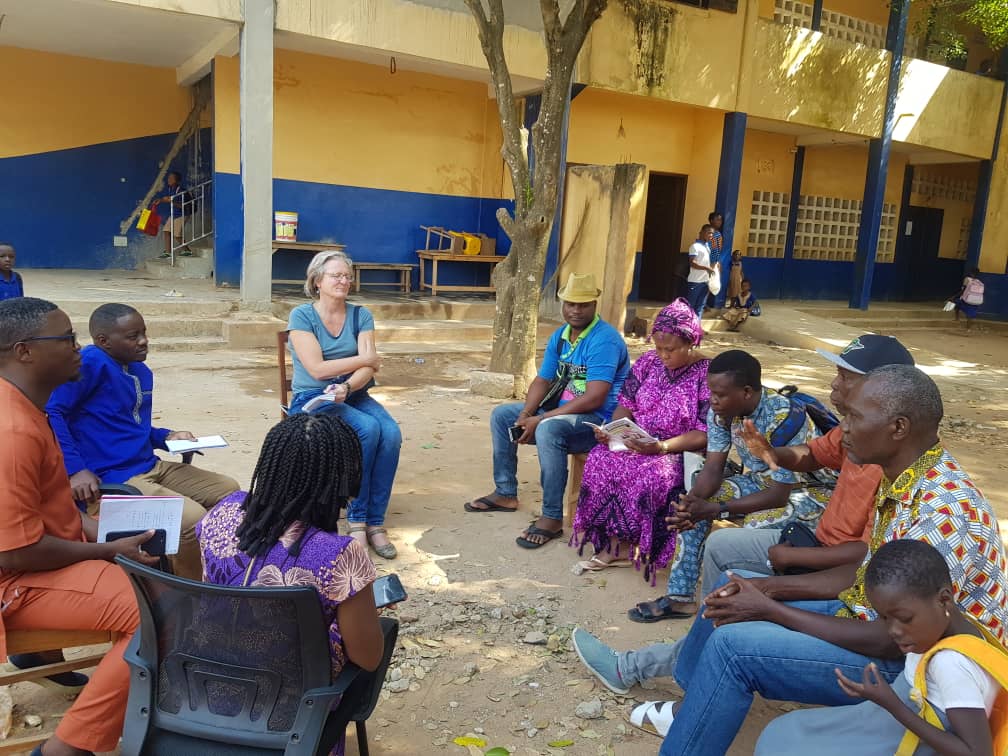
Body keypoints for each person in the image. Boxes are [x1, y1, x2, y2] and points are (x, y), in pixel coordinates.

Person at [572, 365, 1008, 755]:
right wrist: (765, 588)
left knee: (732, 648)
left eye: (855, 418)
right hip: (878, 622)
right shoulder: (909, 477)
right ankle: (693, 703)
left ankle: (691, 714)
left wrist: (771, 606)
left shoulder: (939, 512)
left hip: (917, 667)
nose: (844, 428)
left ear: (898, 428)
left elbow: (891, 639)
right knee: (735, 584)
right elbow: (865, 575)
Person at [0, 296, 161, 756]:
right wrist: (108, 550)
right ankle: (66, 748)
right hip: (15, 580)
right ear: (25, 351)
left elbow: (55, 513)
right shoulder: (12, 432)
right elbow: (16, 552)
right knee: (158, 613)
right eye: (67, 339)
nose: (79, 348)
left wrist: (109, 533)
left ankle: (119, 689)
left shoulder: (26, 407)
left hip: (36, 560)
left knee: (157, 578)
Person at [197, 412, 383, 755]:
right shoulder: (341, 555)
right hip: (292, 715)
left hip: (202, 687)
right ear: (342, 481)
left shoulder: (222, 511)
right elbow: (368, 658)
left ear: (271, 464)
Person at [625, 349, 836, 623]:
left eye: (720, 394)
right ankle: (680, 598)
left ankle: (743, 605)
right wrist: (692, 503)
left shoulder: (783, 418)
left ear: (746, 392)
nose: (712, 400)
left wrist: (717, 509)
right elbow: (713, 468)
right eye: (711, 392)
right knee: (692, 508)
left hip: (812, 492)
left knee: (755, 526)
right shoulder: (722, 412)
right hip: (761, 482)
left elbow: (779, 495)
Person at [704, 335, 914, 594]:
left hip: (840, 569)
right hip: (818, 542)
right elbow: (814, 454)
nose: (834, 383)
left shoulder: (900, 468)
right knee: (719, 545)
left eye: (845, 377)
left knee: (736, 588)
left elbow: (867, 553)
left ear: (884, 391)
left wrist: (795, 558)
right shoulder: (853, 429)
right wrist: (772, 453)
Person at [47, 303, 241, 580]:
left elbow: (128, 423)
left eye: (144, 333)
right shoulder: (91, 363)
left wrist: (166, 436)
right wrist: (75, 469)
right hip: (114, 475)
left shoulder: (138, 370)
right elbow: (53, 412)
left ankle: (198, 561)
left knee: (229, 491)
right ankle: (189, 589)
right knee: (191, 519)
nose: (143, 341)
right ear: (103, 341)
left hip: (150, 465)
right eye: (132, 336)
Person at [757, 539, 1002, 756]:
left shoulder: (950, 664)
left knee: (784, 746)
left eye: (904, 618)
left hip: (897, 737)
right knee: (785, 733)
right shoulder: (961, 631)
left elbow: (977, 752)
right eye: (884, 618)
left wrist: (892, 705)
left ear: (944, 599)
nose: (893, 630)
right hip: (885, 723)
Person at [464, 272, 630, 550]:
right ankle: (505, 492)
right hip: (562, 411)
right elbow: (543, 379)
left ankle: (552, 517)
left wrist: (540, 418)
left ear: (594, 305)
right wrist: (526, 414)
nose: (575, 310)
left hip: (598, 422)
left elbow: (594, 398)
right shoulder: (561, 336)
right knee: (503, 415)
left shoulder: (604, 340)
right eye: (570, 304)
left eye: (583, 305)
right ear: (563, 304)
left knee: (548, 429)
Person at [570, 298, 709, 580]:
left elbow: (705, 433)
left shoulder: (707, 374)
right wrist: (613, 430)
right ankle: (611, 541)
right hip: (637, 440)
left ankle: (632, 544)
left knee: (649, 474)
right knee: (600, 458)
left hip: (678, 449)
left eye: (670, 349)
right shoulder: (648, 362)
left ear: (691, 342)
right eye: (658, 348)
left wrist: (661, 447)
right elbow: (626, 404)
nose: (663, 355)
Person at [287, 249, 400, 560]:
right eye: (336, 275)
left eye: (348, 276)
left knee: (391, 433)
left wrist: (349, 385)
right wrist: (365, 358)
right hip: (312, 398)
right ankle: (356, 520)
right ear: (317, 280)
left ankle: (375, 522)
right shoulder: (301, 316)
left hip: (354, 392)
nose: (344, 281)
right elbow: (317, 369)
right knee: (367, 429)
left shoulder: (361, 315)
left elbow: (368, 370)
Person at [157, 171, 191, 257]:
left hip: (182, 214)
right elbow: (169, 199)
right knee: (166, 231)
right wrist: (160, 200)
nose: (169, 179)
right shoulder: (171, 189)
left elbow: (182, 206)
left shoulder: (182, 191)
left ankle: (187, 250)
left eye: (172, 178)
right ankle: (168, 252)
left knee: (177, 234)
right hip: (174, 214)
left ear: (177, 180)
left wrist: (170, 201)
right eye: (169, 178)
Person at [685, 225, 716, 317]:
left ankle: (696, 325)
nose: (711, 235)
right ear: (701, 233)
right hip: (695, 282)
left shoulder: (707, 247)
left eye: (712, 233)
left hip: (705, 282)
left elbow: (706, 262)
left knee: (700, 307)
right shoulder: (695, 246)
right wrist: (706, 268)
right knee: (690, 307)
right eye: (709, 232)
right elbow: (692, 263)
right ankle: (687, 325)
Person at [708, 212, 731, 309]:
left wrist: (718, 262)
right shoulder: (709, 233)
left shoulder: (718, 234)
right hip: (707, 262)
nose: (720, 222)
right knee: (704, 284)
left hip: (714, 262)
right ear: (711, 220)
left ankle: (704, 304)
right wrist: (713, 262)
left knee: (711, 284)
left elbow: (718, 250)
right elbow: (710, 249)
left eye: (720, 220)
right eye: (717, 219)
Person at [951, 267, 984, 333]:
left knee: (956, 303)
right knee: (970, 315)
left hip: (966, 300)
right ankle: (968, 329)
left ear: (971, 272)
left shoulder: (967, 279)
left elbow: (963, 290)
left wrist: (954, 297)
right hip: (975, 301)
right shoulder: (979, 282)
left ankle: (957, 318)